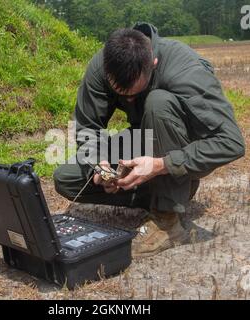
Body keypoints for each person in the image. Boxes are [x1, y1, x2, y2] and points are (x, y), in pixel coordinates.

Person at [53, 23, 245, 257]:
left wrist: (161, 165)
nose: (129, 100)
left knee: (158, 102)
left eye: (134, 94)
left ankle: (167, 219)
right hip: (143, 139)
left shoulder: (186, 70)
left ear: (153, 65)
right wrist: (100, 164)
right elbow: (87, 128)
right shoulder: (102, 65)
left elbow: (231, 142)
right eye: (122, 95)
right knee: (67, 179)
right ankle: (170, 192)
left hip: (182, 150)